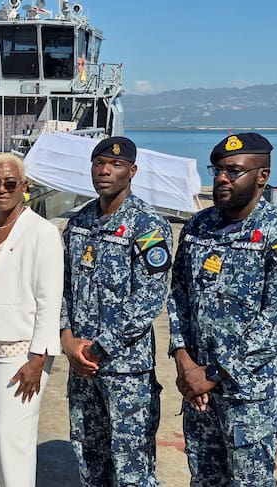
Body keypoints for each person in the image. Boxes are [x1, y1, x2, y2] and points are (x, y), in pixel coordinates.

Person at [168, 132, 277, 486]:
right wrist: (183, 359)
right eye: (217, 170)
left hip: (248, 398)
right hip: (199, 391)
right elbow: (178, 296)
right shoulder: (197, 227)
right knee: (204, 479)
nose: (222, 178)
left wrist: (213, 373)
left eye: (234, 171)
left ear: (262, 176)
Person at [60, 136, 172, 486]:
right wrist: (67, 339)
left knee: (132, 468)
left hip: (126, 372)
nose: (105, 171)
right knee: (89, 460)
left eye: (116, 165)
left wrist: (99, 347)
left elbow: (149, 299)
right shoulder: (79, 223)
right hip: (83, 368)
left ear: (132, 171)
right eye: (99, 163)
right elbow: (61, 288)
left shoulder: (147, 225)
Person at [0, 154, 63, 487]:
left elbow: (49, 299)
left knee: (13, 436)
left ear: (24, 186)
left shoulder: (42, 233)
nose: (1, 189)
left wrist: (38, 358)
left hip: (20, 351)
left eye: (10, 183)